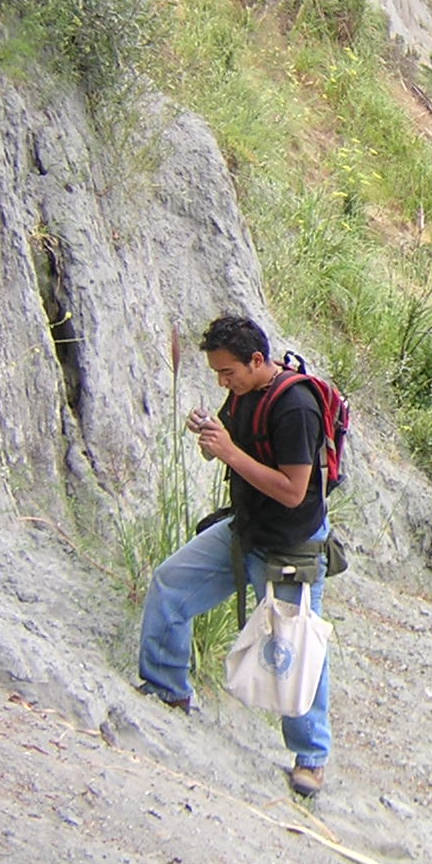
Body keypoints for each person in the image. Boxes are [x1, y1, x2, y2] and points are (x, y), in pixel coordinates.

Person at [138, 314, 332, 797]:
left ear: (257, 360)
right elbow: (226, 449)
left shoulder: (296, 408)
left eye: (228, 372)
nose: (223, 382)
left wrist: (226, 452)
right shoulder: (244, 393)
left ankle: (311, 759)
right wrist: (210, 436)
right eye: (217, 375)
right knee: (171, 584)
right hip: (245, 529)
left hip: (290, 544)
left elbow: (293, 491)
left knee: (298, 649)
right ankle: (166, 689)